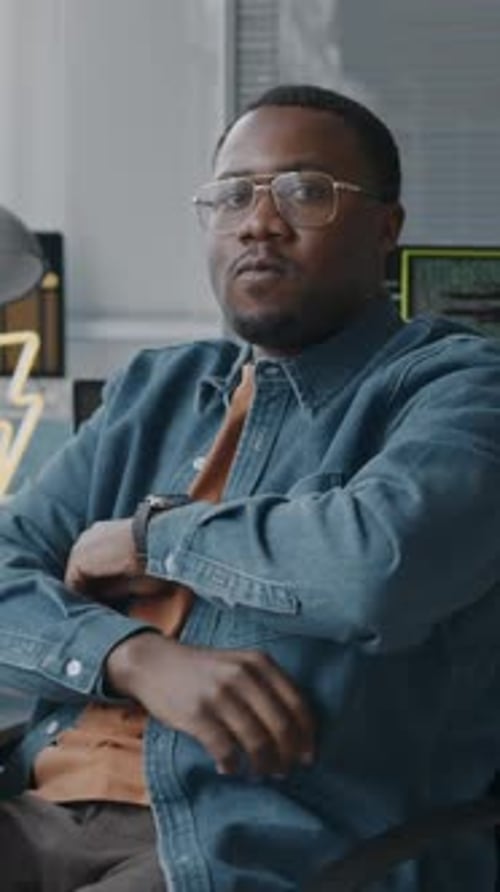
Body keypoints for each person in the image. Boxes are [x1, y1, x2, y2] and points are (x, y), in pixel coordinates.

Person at [0, 83, 500, 892]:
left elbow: (374, 564)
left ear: (386, 228)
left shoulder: (459, 390)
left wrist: (148, 537)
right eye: (233, 194)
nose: (258, 221)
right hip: (44, 804)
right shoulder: (157, 390)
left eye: (306, 191)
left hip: (251, 839)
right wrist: (134, 658)